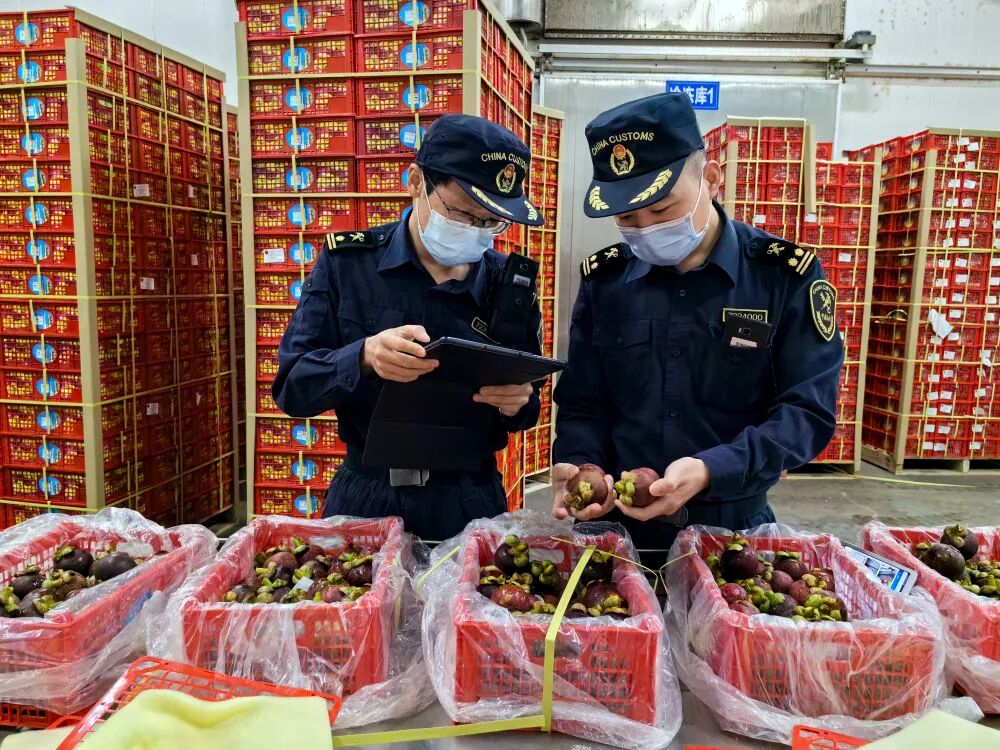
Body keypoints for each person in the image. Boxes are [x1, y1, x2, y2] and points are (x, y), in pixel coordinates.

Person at [551, 92, 844, 555]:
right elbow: (583, 402)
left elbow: (806, 412)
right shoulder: (606, 281)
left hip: (732, 533)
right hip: (616, 531)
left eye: (662, 209)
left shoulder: (781, 277)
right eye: (627, 217)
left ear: (711, 178)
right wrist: (580, 463)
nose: (646, 228)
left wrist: (713, 469)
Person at [273, 114, 546, 541]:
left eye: (492, 221)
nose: (476, 231)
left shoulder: (510, 286)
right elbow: (292, 388)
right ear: (416, 181)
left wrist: (518, 402)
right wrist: (362, 356)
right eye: (463, 213)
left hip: (469, 500)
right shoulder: (349, 266)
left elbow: (526, 407)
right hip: (367, 496)